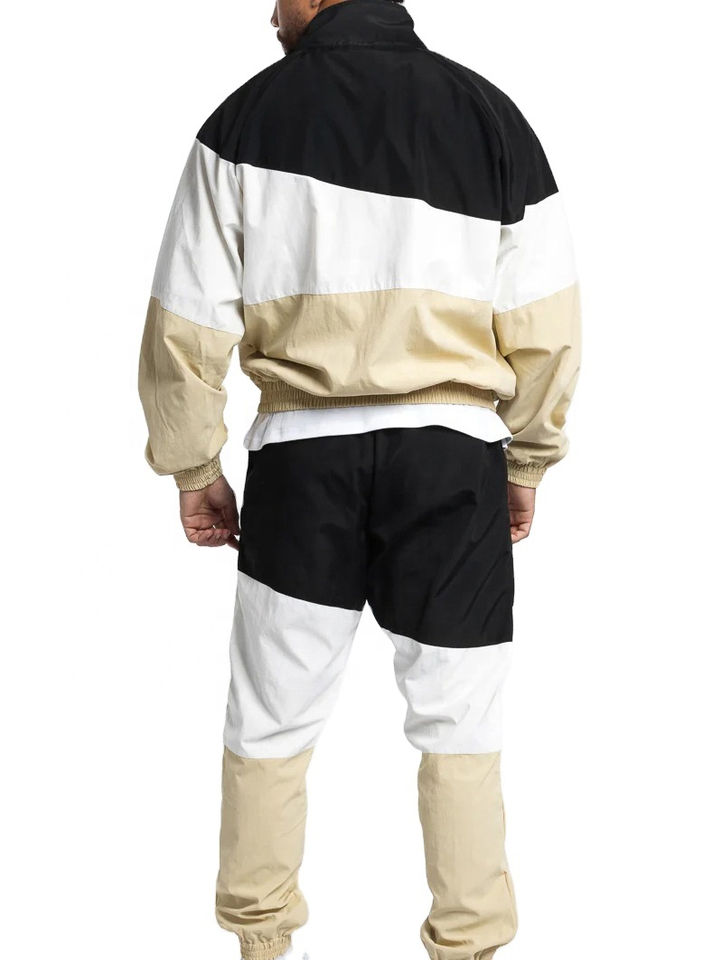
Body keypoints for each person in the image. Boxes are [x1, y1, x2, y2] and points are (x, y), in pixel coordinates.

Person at [137, 1, 582, 957]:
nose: (269, 12)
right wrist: (528, 456)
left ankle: (261, 944)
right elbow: (546, 318)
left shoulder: (244, 120)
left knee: (270, 717)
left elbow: (186, 319)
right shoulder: (490, 116)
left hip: (304, 460)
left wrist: (193, 465)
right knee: (461, 721)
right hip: (452, 457)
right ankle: (470, 946)